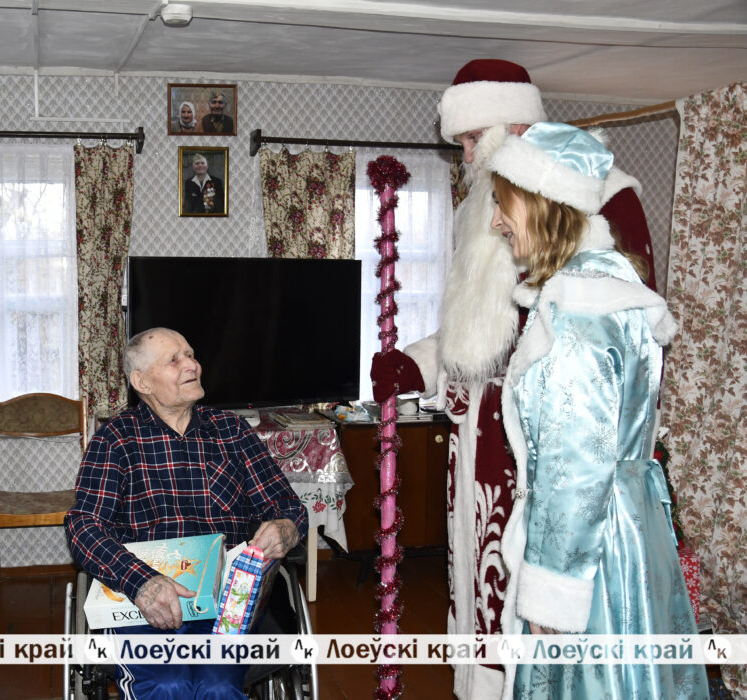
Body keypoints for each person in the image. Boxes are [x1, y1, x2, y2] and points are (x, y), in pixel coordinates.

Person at [369, 59, 659, 699]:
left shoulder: (604, 196)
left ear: (514, 125)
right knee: (479, 575)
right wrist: (417, 362)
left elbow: (613, 334)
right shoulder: (483, 208)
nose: (467, 156)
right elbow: (474, 332)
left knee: (535, 602)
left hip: (538, 437)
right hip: (478, 433)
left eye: (473, 139)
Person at [489, 122, 706, 699]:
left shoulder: (578, 316)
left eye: (503, 204)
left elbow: (576, 468)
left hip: (590, 560)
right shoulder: (612, 292)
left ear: (542, 204)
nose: (496, 222)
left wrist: (552, 595)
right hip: (626, 535)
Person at [65, 327, 307, 699]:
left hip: (229, 599)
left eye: (191, 355)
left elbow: (286, 505)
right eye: (174, 359)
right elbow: (84, 526)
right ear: (142, 382)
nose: (192, 365)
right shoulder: (115, 439)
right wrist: (142, 582)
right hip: (145, 596)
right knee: (168, 684)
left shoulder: (230, 431)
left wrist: (285, 527)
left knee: (217, 687)